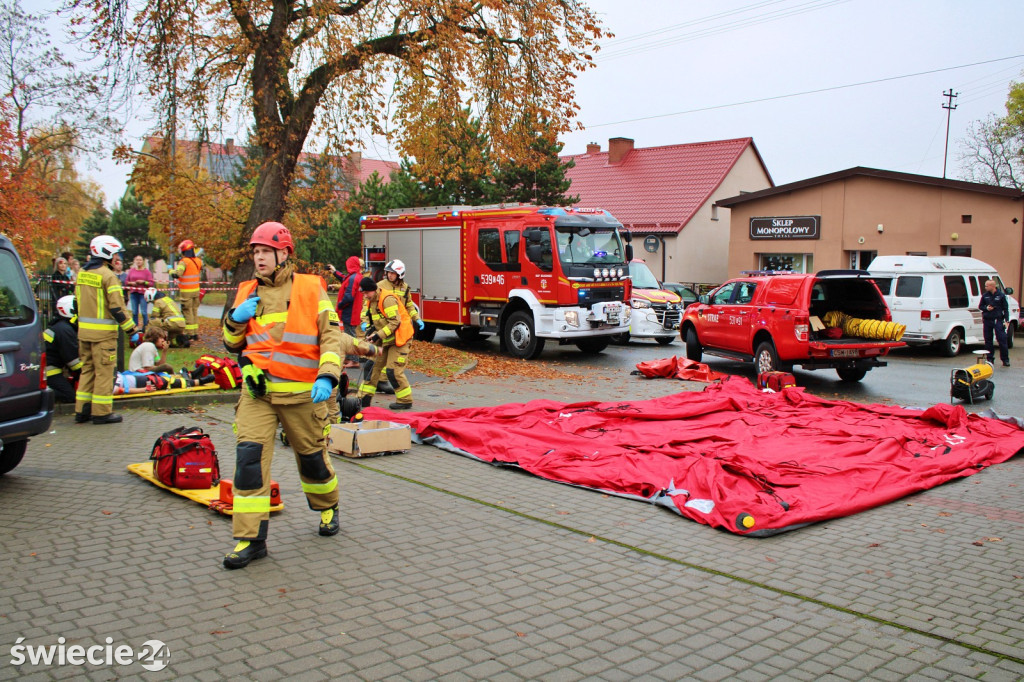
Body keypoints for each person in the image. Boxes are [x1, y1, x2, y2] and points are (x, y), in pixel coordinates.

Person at [220, 221, 381, 569]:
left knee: (312, 461)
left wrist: (328, 376)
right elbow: (233, 343)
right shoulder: (247, 291)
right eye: (256, 251)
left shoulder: (310, 288)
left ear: (284, 253)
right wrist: (235, 318)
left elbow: (330, 337)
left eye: (265, 251)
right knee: (248, 463)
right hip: (257, 396)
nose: (259, 258)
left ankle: (328, 508)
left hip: (302, 397)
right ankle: (250, 539)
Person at [74, 235, 141, 424]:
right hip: (103, 337)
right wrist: (132, 331)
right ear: (107, 253)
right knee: (104, 373)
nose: (116, 258)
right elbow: (117, 308)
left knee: (87, 370)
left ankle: (82, 411)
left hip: (84, 333)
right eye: (115, 254)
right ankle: (101, 413)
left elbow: (77, 301)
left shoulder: (82, 273)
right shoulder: (108, 276)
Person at [357, 276, 415, 410]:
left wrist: (378, 334)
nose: (365, 296)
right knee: (371, 367)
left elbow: (395, 322)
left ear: (373, 290)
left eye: (366, 293)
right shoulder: (370, 299)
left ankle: (405, 400)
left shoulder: (387, 300)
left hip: (400, 339)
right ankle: (363, 398)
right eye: (363, 293)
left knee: (392, 370)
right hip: (385, 339)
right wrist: (368, 326)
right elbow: (369, 316)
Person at [43, 295, 82, 404]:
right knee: (69, 396)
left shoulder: (61, 327)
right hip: (49, 372)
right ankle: (39, 396)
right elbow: (74, 362)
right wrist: (86, 373)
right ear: (69, 310)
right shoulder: (65, 330)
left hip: (48, 370)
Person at [328, 256, 364, 368]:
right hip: (352, 311)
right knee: (349, 334)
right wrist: (334, 272)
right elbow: (345, 279)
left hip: (350, 312)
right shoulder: (355, 276)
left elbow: (348, 297)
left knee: (350, 336)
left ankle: (354, 360)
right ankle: (350, 358)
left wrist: (339, 305)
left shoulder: (354, 278)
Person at [171, 239, 203, 341]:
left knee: (187, 312)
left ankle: (190, 334)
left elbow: (177, 274)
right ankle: (195, 333)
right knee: (194, 311)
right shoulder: (198, 261)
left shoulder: (183, 262)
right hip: (196, 291)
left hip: (186, 292)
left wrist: (170, 270)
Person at [980, 279, 1011, 367]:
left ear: (992, 286)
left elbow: (1005, 309)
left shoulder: (1001, 295)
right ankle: (990, 359)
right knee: (988, 340)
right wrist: (986, 308)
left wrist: (1007, 320)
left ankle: (1005, 359)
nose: (985, 287)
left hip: (998, 320)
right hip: (987, 320)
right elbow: (980, 306)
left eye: (987, 286)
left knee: (1002, 340)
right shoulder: (985, 296)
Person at [125, 255, 155, 328]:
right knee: (134, 312)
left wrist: (143, 282)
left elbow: (151, 283)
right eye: (137, 260)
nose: (138, 261)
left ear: (143, 262)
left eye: (140, 260)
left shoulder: (146, 272)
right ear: (135, 261)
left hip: (143, 294)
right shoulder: (131, 270)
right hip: (133, 293)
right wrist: (132, 283)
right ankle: (135, 328)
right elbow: (126, 282)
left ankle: (146, 327)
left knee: (144, 312)